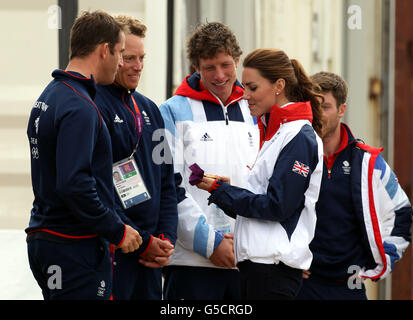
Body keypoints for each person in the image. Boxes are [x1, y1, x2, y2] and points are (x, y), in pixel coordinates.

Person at [25, 10, 143, 300]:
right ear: (104, 50)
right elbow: (74, 184)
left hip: (48, 238)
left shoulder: (51, 94)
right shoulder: (80, 106)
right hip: (72, 245)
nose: (119, 63)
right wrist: (116, 230)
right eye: (119, 53)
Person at [196, 48, 325, 300]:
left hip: (273, 270)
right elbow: (261, 202)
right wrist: (224, 190)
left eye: (252, 88)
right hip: (257, 267)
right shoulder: (276, 130)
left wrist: (222, 192)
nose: (245, 96)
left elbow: (277, 207)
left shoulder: (297, 135)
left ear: (279, 85)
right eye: (244, 87)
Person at [159, 22, 259, 300]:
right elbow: (168, 186)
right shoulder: (170, 111)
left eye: (226, 65)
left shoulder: (255, 108)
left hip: (249, 259)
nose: (219, 75)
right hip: (191, 265)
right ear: (195, 67)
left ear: (238, 60)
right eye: (209, 67)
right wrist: (211, 244)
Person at [295, 71, 413, 300]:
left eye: (325, 107)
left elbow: (401, 212)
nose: (317, 114)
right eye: (313, 106)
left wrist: (381, 261)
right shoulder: (293, 154)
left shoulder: (368, 162)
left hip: (349, 286)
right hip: (302, 284)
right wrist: (288, 258)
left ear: (341, 110)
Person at [94, 15, 178, 300]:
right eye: (129, 57)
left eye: (142, 57)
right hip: (116, 249)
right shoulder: (93, 105)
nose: (138, 66)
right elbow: (95, 188)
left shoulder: (151, 110)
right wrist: (142, 242)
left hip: (151, 256)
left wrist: (166, 239)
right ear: (113, 54)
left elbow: (167, 181)